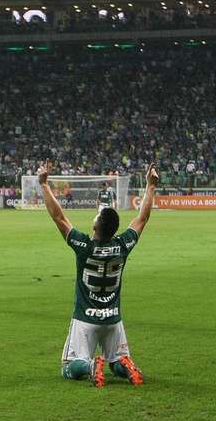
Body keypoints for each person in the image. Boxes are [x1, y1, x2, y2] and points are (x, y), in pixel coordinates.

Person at [39, 159, 157, 388]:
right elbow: (142, 219)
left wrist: (44, 184)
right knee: (115, 362)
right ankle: (127, 366)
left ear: (95, 226)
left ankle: (90, 366)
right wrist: (150, 186)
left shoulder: (84, 246)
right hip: (113, 318)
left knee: (68, 366)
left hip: (85, 319)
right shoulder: (123, 245)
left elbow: (59, 217)